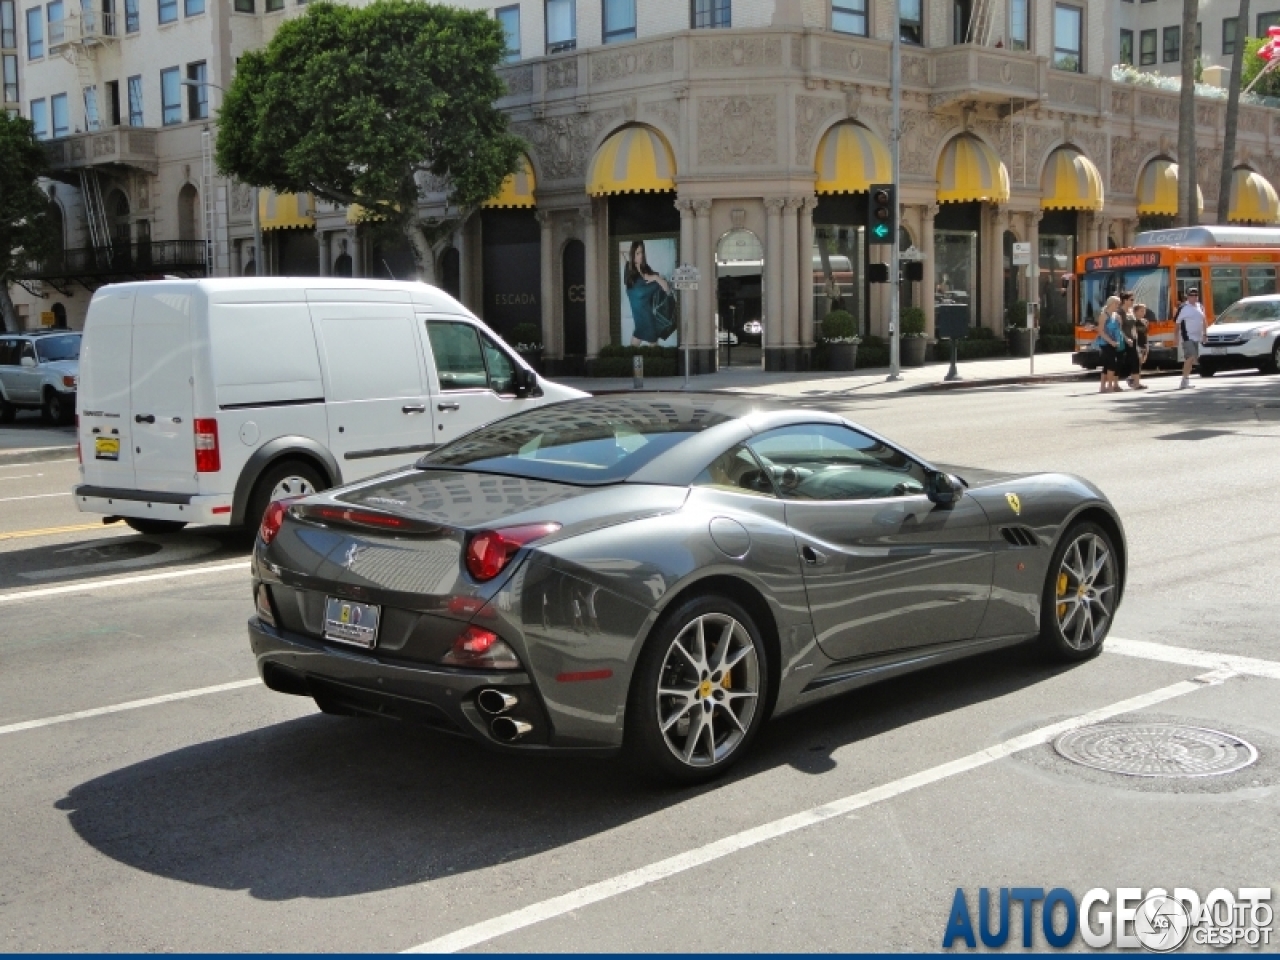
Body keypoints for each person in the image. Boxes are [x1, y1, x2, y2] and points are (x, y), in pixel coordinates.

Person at [624, 240, 671, 346]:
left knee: (653, 354)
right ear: (632, 254)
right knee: (632, 354)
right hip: (639, 319)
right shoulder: (628, 268)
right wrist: (652, 283)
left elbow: (667, 289)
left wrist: (654, 277)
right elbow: (636, 292)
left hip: (649, 318)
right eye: (637, 253)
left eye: (641, 252)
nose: (640, 256)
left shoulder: (647, 269)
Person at [1175, 287, 1206, 389]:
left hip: (1197, 336)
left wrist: (1205, 334)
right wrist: (1176, 337)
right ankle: (1184, 380)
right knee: (1191, 357)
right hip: (1187, 336)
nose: (1194, 297)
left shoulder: (1200, 306)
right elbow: (1177, 323)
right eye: (1191, 295)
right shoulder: (1183, 307)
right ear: (1187, 296)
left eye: (1195, 295)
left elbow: (1204, 320)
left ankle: (1186, 379)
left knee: (1192, 359)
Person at [1095, 295, 1125, 393]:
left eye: (1118, 304)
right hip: (1105, 342)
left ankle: (1103, 386)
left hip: (1114, 342)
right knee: (1112, 362)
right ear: (1110, 303)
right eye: (1116, 303)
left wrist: (1120, 322)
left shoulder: (1115, 315)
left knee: (1107, 363)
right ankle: (1110, 385)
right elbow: (1100, 331)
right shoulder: (1104, 315)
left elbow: (1119, 329)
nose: (1118, 305)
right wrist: (1110, 341)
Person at [1130, 301, 1150, 389]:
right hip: (1136, 344)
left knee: (1141, 363)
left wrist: (1147, 346)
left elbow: (1146, 334)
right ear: (1135, 311)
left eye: (1144, 311)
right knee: (1137, 363)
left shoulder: (1145, 321)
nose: (1143, 312)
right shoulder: (1133, 321)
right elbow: (1133, 334)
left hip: (1144, 344)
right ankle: (1135, 382)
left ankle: (1132, 379)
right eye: (1141, 311)